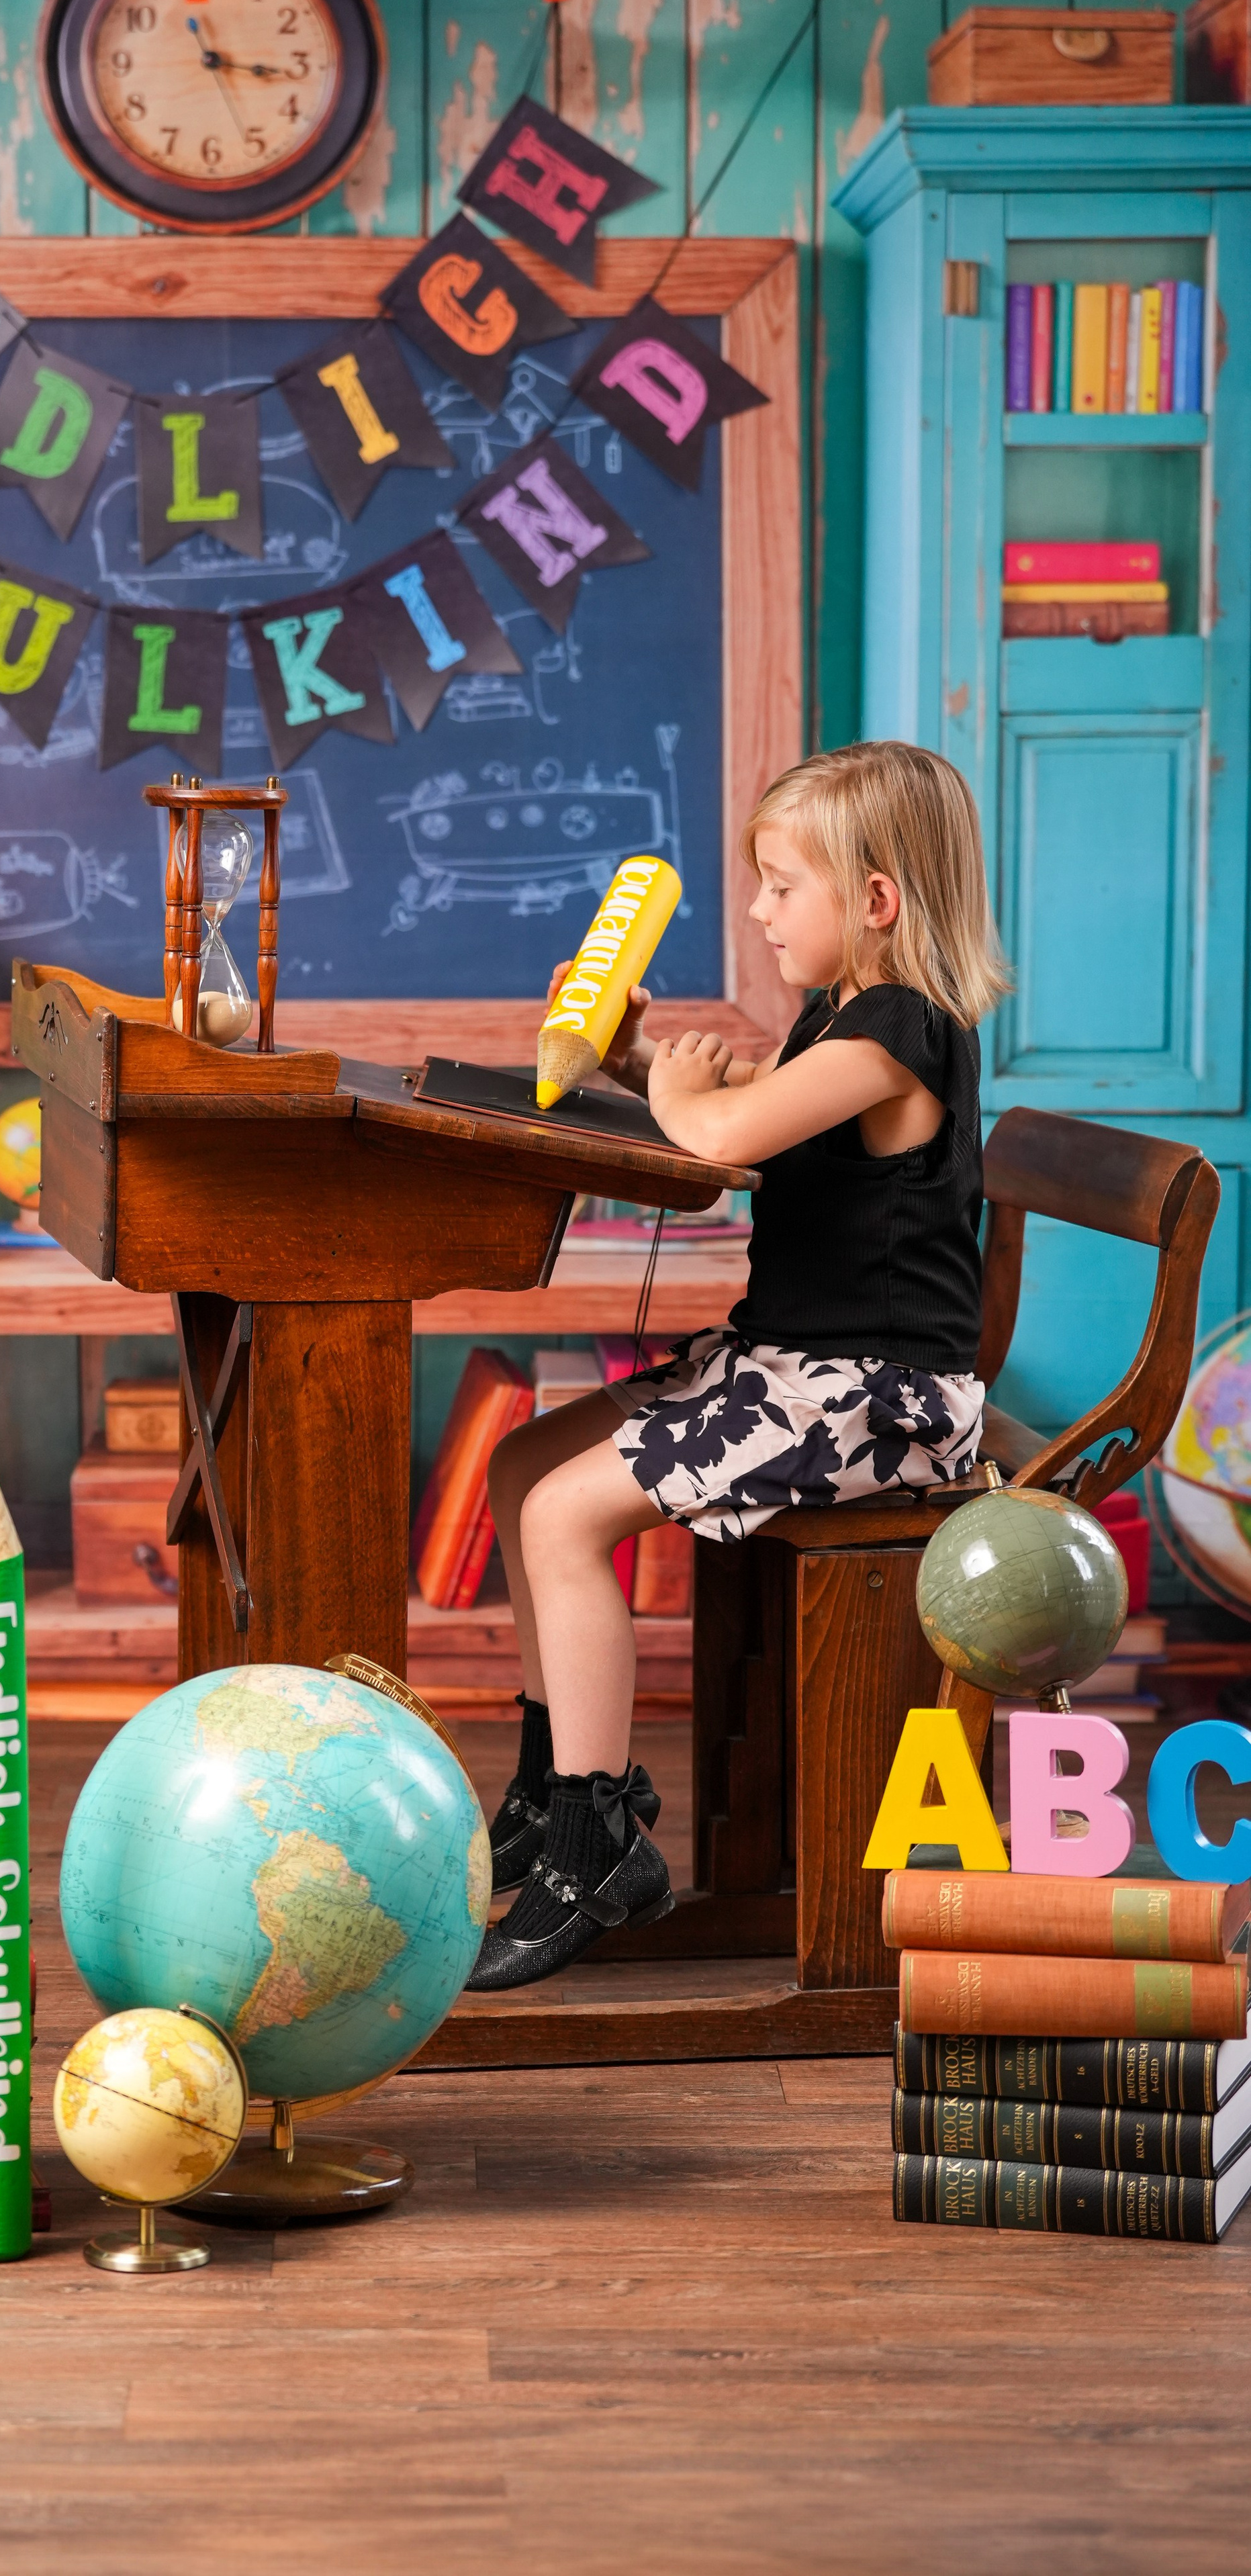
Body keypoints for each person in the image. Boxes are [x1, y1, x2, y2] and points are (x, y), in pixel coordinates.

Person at [469, 740, 1013, 1992]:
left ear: (875, 899)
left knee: (562, 1516)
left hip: (879, 1399)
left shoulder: (901, 1031)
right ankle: (554, 1790)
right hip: (795, 1365)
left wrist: (680, 1089)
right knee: (524, 1466)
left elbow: (720, 1132)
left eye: (780, 885)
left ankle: (599, 1846)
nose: (759, 912)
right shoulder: (840, 1019)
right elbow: (742, 1129)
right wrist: (630, 1061)